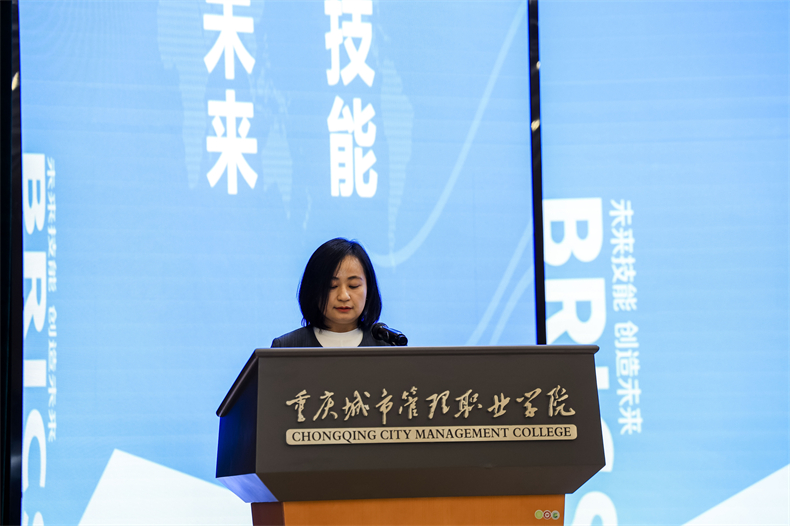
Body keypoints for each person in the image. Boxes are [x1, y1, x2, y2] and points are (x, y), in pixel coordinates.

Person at [271, 238, 392, 347]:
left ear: (369, 289)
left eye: (353, 285)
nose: (343, 296)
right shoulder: (287, 346)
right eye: (332, 286)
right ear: (313, 290)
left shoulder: (387, 345)